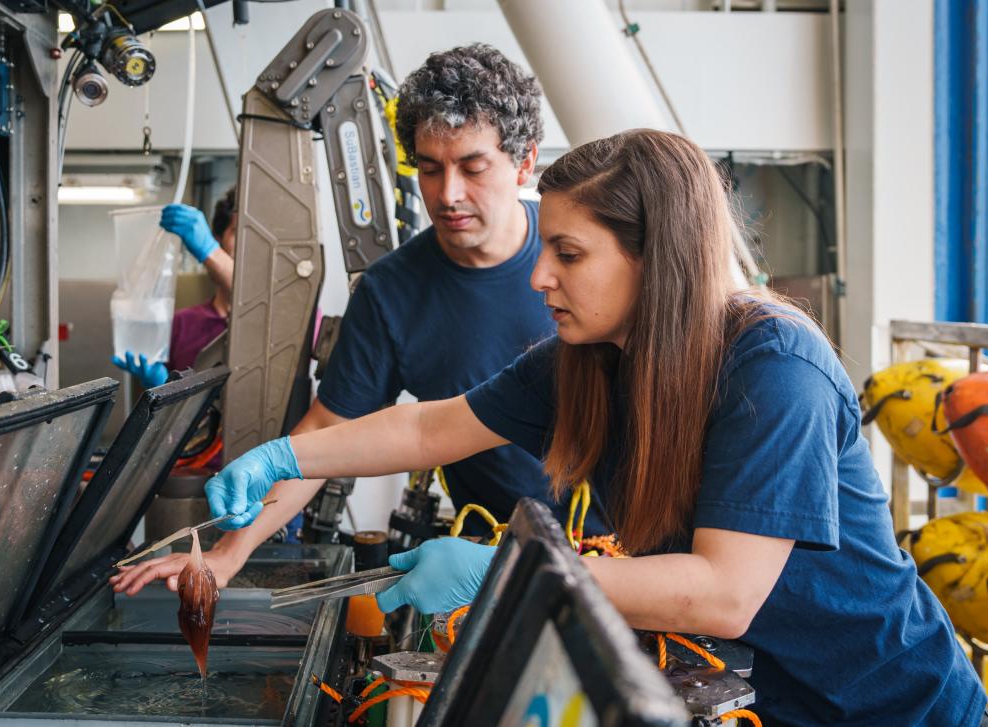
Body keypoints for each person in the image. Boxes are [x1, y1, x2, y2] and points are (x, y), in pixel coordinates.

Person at [194, 130, 987, 726]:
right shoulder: (590, 359)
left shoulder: (775, 370)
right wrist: (284, 454)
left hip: (892, 704)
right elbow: (430, 430)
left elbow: (724, 593)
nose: (540, 276)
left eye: (568, 254)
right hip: (766, 700)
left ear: (657, 259)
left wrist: (504, 574)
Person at [110, 43, 609, 597]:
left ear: (524, 161)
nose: (448, 194)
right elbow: (330, 433)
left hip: (629, 546)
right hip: (496, 556)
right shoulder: (392, 293)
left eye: (472, 167)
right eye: (428, 168)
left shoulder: (581, 253)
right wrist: (229, 554)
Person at [112, 186, 237, 387]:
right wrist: (160, 385)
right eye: (238, 232)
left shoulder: (278, 325)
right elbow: (168, 417)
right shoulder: (180, 326)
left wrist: (210, 251)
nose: (248, 245)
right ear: (217, 238)